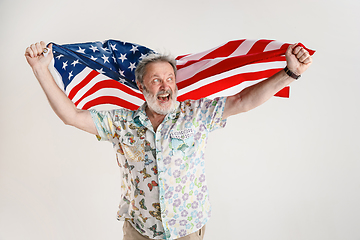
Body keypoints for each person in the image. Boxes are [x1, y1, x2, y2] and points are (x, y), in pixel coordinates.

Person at [25, 41, 312, 240]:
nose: (165, 86)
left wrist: (289, 74)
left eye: (170, 79)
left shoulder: (196, 113)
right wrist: (41, 69)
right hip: (140, 230)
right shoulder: (122, 123)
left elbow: (242, 100)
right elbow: (72, 116)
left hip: (187, 229)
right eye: (156, 80)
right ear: (140, 86)